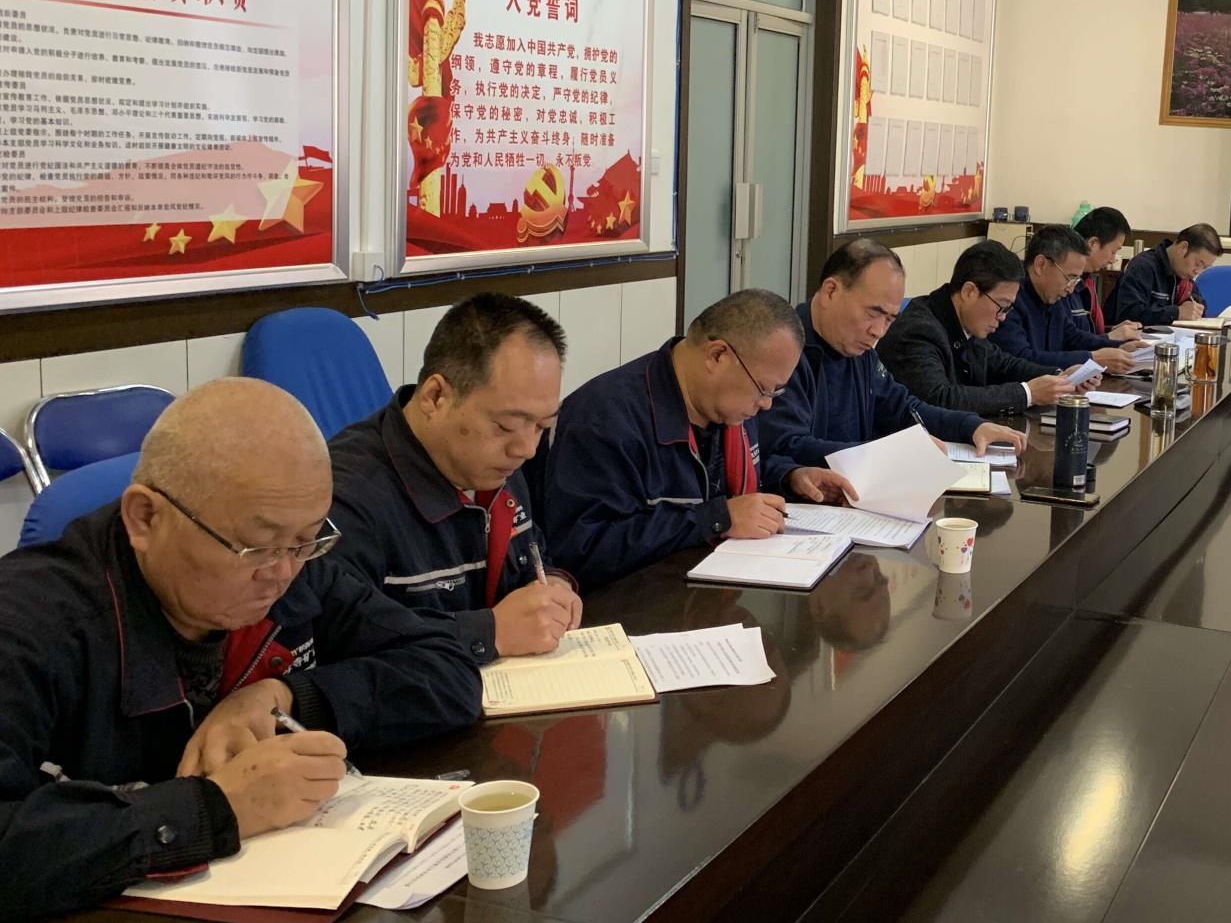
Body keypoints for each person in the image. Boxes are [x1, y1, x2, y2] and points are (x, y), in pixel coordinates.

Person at [0, 378, 482, 923]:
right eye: (256, 546)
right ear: (145, 518)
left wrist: (287, 698)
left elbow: (449, 668)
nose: (282, 573)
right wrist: (216, 808)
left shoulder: (295, 565)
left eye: (308, 539)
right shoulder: (29, 627)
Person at [542, 289, 855, 592]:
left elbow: (733, 489)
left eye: (776, 392)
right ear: (717, 355)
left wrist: (791, 479)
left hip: (711, 592)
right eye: (763, 389)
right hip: (636, 608)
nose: (767, 405)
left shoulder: (728, 407)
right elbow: (582, 550)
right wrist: (715, 519)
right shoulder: (605, 419)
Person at [330, 293, 581, 666]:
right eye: (506, 426)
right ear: (435, 397)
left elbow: (533, 556)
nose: (527, 449)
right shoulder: (347, 496)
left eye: (543, 426)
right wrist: (490, 632)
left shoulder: (497, 464)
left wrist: (553, 587)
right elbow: (343, 647)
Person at [763, 239, 1025, 469]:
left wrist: (970, 426)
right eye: (873, 313)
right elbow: (785, 447)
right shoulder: (786, 351)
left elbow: (903, 408)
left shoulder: (859, 350)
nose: (879, 331)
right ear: (831, 291)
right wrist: (882, 454)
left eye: (889, 319)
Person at [877, 239, 1091, 416]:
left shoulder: (967, 322)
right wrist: (1028, 393)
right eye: (1001, 306)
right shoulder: (918, 330)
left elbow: (1003, 364)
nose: (1003, 317)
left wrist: (1059, 377)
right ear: (969, 292)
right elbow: (940, 398)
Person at [993, 224, 1142, 374]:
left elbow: (1071, 337)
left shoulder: (1052, 296)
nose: (1071, 289)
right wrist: (1093, 358)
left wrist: (1118, 347)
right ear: (1040, 264)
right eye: (1070, 278)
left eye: (1076, 281)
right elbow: (1020, 359)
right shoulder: (1008, 297)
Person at [1107, 222, 1223, 328]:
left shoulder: (1183, 275)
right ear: (1183, 248)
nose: (1198, 271)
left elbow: (1198, 300)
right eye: (1198, 264)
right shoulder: (1142, 266)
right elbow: (1129, 314)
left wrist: (1195, 307)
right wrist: (1177, 312)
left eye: (1204, 268)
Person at [1068, 206, 1144, 342]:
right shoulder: (1065, 282)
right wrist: (1110, 337)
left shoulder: (1087, 279)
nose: (1113, 259)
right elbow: (1068, 341)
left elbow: (1086, 332)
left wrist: (1113, 331)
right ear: (1093, 244)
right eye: (1113, 251)